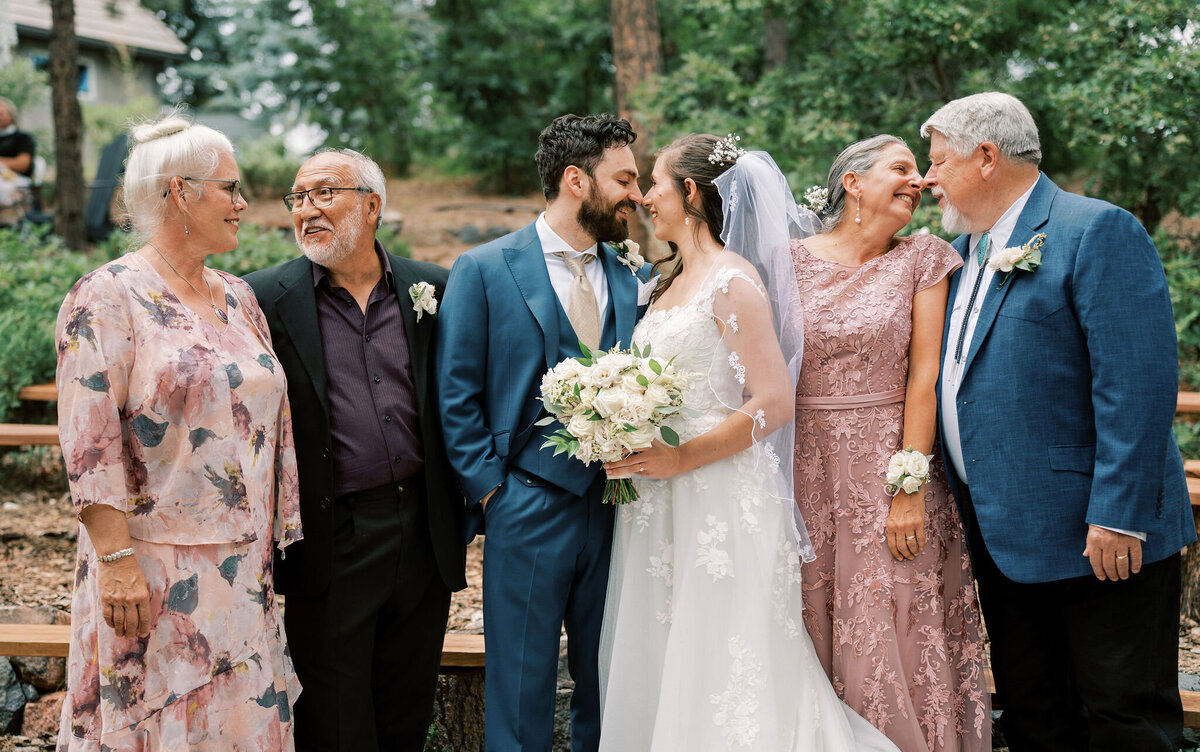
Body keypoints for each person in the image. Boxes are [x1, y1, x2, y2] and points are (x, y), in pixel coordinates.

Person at [597, 133, 899, 751]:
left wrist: (680, 456)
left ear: (689, 191)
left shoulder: (733, 281)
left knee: (723, 657)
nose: (647, 198)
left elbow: (773, 401)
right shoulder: (665, 284)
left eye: (656, 182)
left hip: (717, 497)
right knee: (665, 651)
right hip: (659, 502)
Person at [923, 91, 1193, 751]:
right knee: (1037, 716)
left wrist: (1118, 514)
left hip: (1096, 536)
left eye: (938, 161)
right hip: (1004, 538)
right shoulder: (962, 255)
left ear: (986, 157)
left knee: (1123, 719)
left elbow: (1136, 383)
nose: (928, 178)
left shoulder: (1095, 229)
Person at [54, 113, 302, 750]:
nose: (243, 203)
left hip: (243, 571)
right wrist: (114, 563)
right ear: (180, 192)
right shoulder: (107, 296)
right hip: (151, 574)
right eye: (230, 188)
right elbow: (89, 444)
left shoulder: (239, 296)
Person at [436, 114, 647, 752]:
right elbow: (456, 389)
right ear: (577, 180)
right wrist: (493, 492)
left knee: (608, 676)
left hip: (617, 507)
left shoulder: (631, 276)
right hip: (524, 501)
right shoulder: (484, 267)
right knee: (520, 684)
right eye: (625, 178)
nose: (636, 194)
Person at [244, 149, 466, 752]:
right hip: (330, 531)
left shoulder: (436, 289)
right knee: (334, 717)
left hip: (423, 527)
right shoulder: (260, 298)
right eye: (298, 197)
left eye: (324, 194)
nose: (306, 211)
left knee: (406, 703)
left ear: (372, 206)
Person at [790, 134, 990, 752]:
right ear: (852, 182)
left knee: (890, 620)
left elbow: (924, 377)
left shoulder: (922, 258)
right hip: (805, 468)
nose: (919, 181)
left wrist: (908, 488)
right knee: (810, 615)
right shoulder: (785, 259)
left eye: (919, 170)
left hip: (889, 464)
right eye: (901, 169)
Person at [0, 96, 34, 215]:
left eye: (1, 113)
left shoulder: (23, 138)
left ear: (12, 115)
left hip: (16, 181)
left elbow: (23, 164)